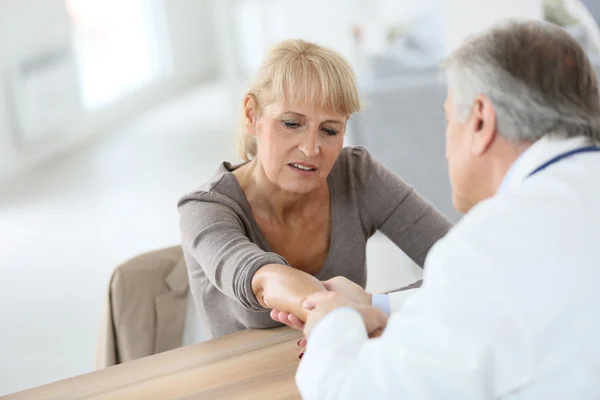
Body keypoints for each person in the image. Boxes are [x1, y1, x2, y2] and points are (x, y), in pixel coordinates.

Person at [296, 19, 600, 399]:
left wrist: (331, 323)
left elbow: (347, 390)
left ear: (480, 120)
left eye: (446, 119)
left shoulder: (490, 245)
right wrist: (380, 305)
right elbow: (535, 291)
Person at [177, 39, 452, 340]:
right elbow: (264, 279)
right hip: (251, 381)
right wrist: (342, 313)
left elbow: (462, 261)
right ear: (251, 116)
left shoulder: (357, 174)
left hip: (344, 366)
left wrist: (376, 305)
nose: (311, 149)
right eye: (292, 123)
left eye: (329, 130)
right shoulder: (204, 208)